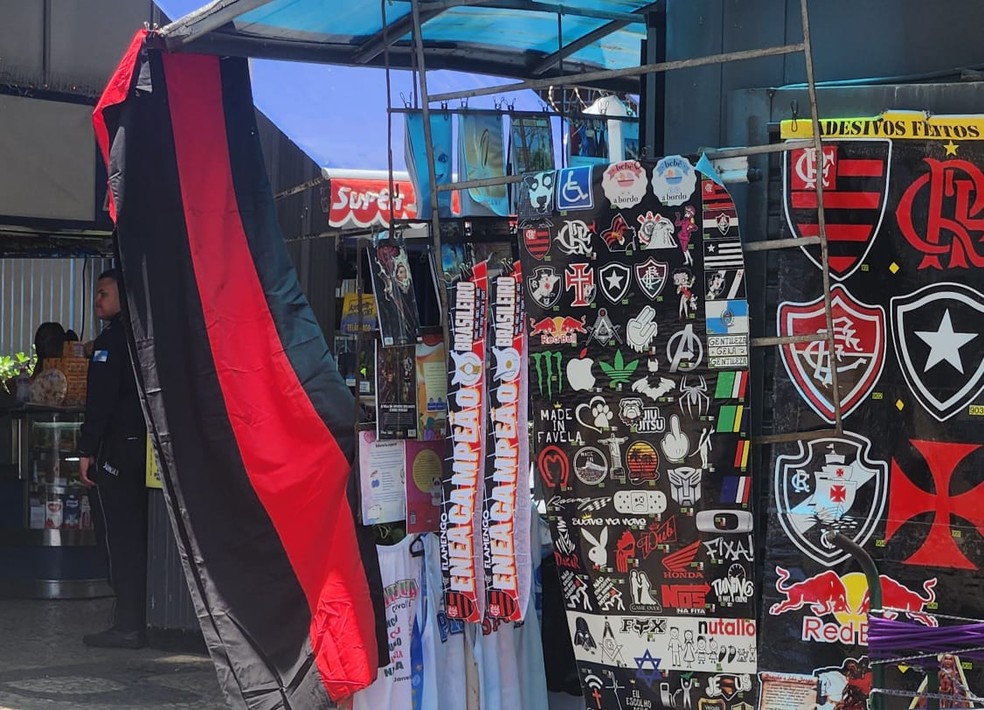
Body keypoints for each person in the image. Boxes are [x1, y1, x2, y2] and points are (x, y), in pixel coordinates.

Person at [77, 268, 148, 649]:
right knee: (134, 534)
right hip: (142, 450)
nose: (97, 300)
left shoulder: (112, 343)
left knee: (119, 537)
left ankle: (128, 623)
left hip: (116, 452)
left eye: (103, 293)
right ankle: (137, 616)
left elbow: (100, 403)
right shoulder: (145, 341)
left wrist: (86, 449)